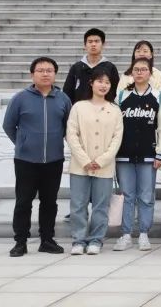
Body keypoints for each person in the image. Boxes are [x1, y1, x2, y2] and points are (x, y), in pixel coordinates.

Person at [3, 56, 72, 257]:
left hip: (54, 160)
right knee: (23, 202)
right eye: (40, 70)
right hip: (26, 161)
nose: (45, 74)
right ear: (32, 74)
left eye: (49, 70)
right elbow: (9, 125)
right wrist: (23, 143)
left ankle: (47, 240)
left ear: (55, 74)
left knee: (49, 202)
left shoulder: (63, 99)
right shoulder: (20, 98)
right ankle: (20, 242)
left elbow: (68, 126)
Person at [66, 65, 123, 255]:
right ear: (91, 83)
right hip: (79, 166)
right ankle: (78, 240)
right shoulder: (78, 107)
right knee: (78, 205)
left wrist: (102, 160)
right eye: (100, 81)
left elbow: (116, 139)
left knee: (101, 205)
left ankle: (96, 240)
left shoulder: (115, 110)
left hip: (104, 168)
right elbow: (71, 135)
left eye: (107, 82)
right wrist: (84, 160)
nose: (103, 85)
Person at [113, 56, 161, 252]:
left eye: (144, 69)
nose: (139, 72)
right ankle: (126, 234)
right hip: (124, 154)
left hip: (148, 154)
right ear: (131, 72)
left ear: (150, 73)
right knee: (127, 195)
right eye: (136, 69)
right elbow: (114, 126)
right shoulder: (121, 96)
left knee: (146, 195)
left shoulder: (158, 97)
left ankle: (144, 233)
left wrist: (160, 153)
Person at [62, 28, 119, 103]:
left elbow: (115, 91)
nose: (93, 44)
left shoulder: (110, 67)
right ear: (85, 45)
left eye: (97, 41)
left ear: (103, 44)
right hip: (80, 108)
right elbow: (67, 92)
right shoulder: (76, 67)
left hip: (104, 108)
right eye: (90, 41)